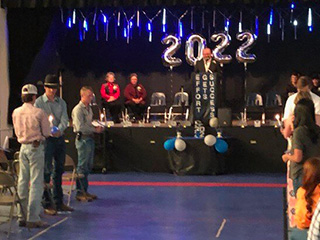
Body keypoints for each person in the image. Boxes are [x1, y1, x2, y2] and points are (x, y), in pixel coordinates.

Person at [12, 84, 51, 228]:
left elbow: (16, 132)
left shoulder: (16, 112)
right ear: (34, 97)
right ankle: (33, 218)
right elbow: (46, 133)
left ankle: (21, 215)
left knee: (22, 181)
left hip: (23, 147)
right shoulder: (39, 113)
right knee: (35, 183)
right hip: (35, 148)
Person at [35, 74, 73, 214]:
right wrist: (49, 131)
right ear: (45, 88)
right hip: (46, 139)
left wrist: (60, 130)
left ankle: (58, 201)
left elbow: (64, 119)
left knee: (59, 169)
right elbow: (38, 120)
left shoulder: (61, 102)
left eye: (54, 88)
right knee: (46, 170)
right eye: (50, 88)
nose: (53, 91)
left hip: (59, 138)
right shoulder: (39, 103)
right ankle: (46, 203)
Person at [282, 98, 320, 195]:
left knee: (301, 202)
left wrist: (287, 157)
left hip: (301, 174)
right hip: (316, 172)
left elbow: (297, 157)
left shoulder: (299, 132)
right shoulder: (317, 130)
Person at [72, 86, 103, 201]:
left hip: (89, 138)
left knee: (88, 165)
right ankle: (80, 192)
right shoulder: (78, 110)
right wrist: (95, 130)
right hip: (83, 139)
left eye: (92, 96)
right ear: (82, 96)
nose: (91, 98)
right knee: (82, 166)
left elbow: (88, 123)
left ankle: (85, 190)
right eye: (89, 95)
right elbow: (80, 127)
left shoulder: (88, 108)